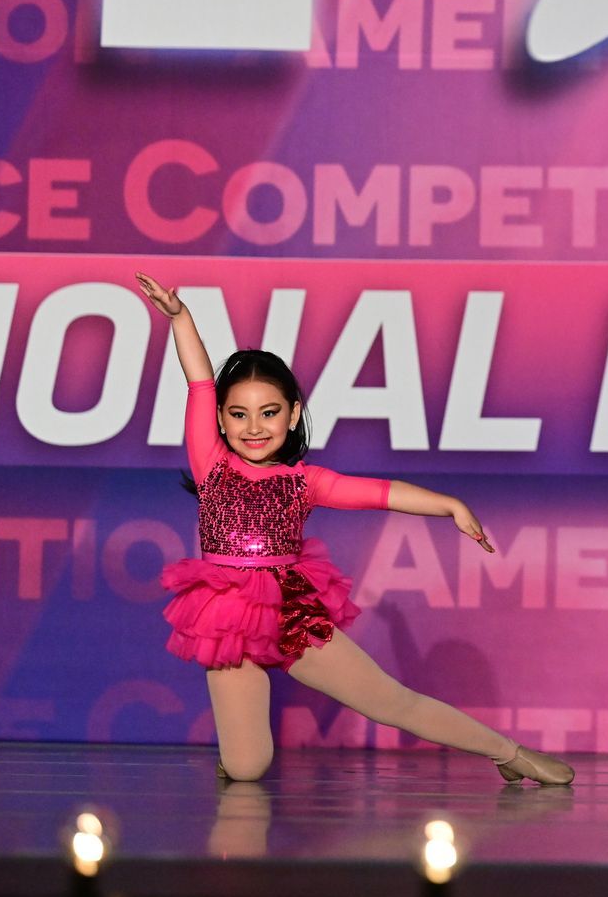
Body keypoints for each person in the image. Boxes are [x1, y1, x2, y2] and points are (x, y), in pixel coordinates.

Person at [135, 271, 573, 786]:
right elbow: (199, 380)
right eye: (239, 415)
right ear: (221, 421)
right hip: (228, 617)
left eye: (269, 412)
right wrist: (180, 319)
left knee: (391, 701)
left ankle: (508, 753)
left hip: (291, 610)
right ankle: (233, 761)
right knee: (249, 767)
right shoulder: (213, 465)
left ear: (294, 415)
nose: (254, 427)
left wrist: (449, 504)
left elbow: (380, 492)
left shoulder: (306, 482)